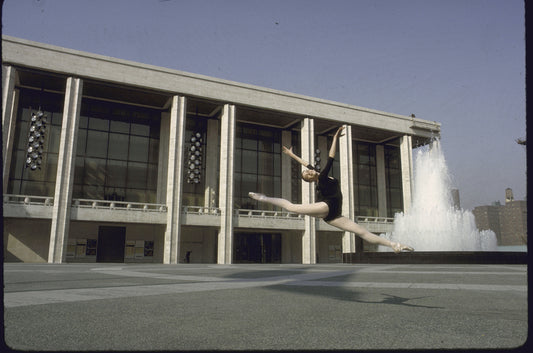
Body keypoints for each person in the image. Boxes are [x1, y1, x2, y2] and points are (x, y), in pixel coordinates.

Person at [249, 126, 414, 253]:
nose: (309, 171)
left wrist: (291, 155)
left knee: (362, 232)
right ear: (311, 179)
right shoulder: (321, 177)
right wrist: (335, 137)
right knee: (292, 207)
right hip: (326, 206)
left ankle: (394, 244)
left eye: (308, 171)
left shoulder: (318, 174)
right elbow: (331, 156)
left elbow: (305, 163)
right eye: (307, 174)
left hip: (334, 215)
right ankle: (263, 198)